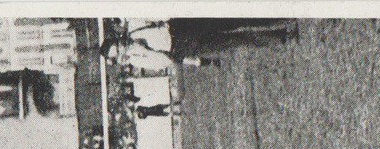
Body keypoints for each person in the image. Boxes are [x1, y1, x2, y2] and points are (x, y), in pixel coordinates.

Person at [100, 18, 298, 72]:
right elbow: (165, 62)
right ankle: (280, 36)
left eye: (119, 43)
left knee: (232, 21)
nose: (123, 46)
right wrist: (142, 50)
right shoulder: (138, 59)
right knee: (233, 41)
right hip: (181, 47)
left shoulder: (134, 25)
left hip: (181, 28)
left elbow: (159, 16)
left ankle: (281, 17)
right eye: (119, 51)